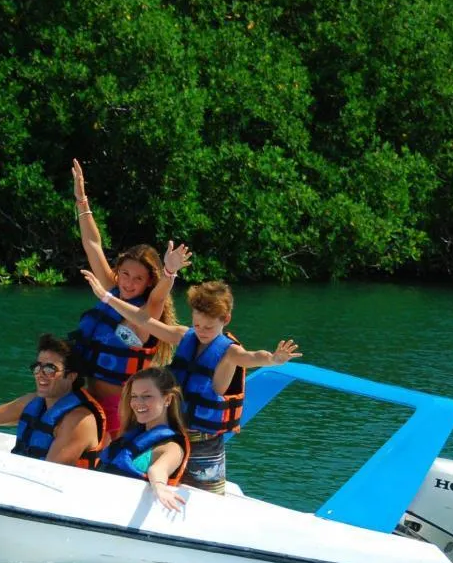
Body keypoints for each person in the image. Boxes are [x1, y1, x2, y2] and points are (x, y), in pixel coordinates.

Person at [79, 272, 300, 494]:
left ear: (226, 320)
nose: (202, 332)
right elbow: (143, 319)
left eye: (209, 327)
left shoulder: (230, 354)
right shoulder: (185, 336)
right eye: (197, 324)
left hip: (203, 447)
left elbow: (254, 357)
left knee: (205, 502)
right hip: (169, 435)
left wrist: (274, 359)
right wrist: (107, 297)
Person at [69, 158, 190, 436]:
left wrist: (169, 271)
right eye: (124, 274)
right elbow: (92, 243)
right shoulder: (112, 287)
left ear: (149, 282)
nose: (129, 283)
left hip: (119, 408)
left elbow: (160, 295)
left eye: (138, 279)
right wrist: (81, 199)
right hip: (86, 397)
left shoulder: (147, 312)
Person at [0, 333, 106, 468]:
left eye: (50, 369)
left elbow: (50, 473)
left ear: (71, 376)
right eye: (38, 367)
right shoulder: (33, 402)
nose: (40, 373)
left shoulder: (78, 421)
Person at [98, 366, 191, 512]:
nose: (138, 402)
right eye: (134, 396)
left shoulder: (172, 447)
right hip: (103, 500)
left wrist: (160, 487)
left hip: (124, 510)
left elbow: (158, 470)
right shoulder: (131, 436)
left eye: (147, 396)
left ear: (167, 399)